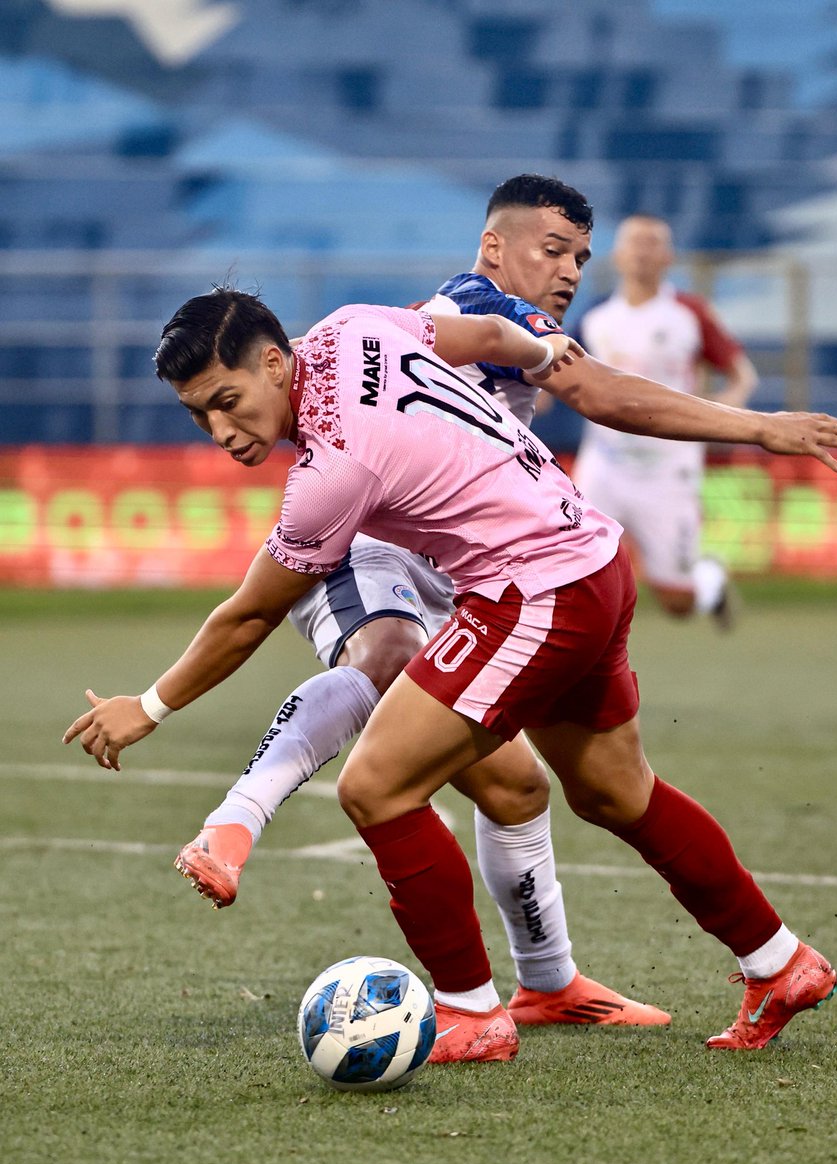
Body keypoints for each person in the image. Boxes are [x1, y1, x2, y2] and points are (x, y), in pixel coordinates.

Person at [64, 289, 837, 1064]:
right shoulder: (352, 325)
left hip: (533, 595)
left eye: (227, 402)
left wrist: (152, 705)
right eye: (198, 414)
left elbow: (248, 616)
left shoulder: (331, 471)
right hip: (593, 557)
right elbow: (485, 336)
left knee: (376, 786)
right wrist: (540, 351)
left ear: (274, 363)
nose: (219, 430)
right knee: (614, 791)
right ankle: (779, 961)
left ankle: (472, 1012)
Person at [173, 175, 671, 1032]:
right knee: (389, 656)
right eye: (554, 250)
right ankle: (235, 821)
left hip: (468, 573)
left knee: (517, 788)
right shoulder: (481, 306)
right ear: (495, 246)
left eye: (580, 258)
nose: (569, 271)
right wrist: (759, 426)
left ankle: (548, 984)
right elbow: (601, 394)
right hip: (369, 549)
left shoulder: (456, 326)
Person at [573, 213, 759, 628]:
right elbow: (558, 375)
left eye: (652, 242)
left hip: (669, 469)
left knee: (677, 603)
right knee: (573, 572)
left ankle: (708, 578)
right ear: (617, 255)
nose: (642, 251)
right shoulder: (595, 316)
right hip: (604, 464)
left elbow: (742, 374)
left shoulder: (688, 313)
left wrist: (727, 406)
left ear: (669, 257)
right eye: (634, 242)